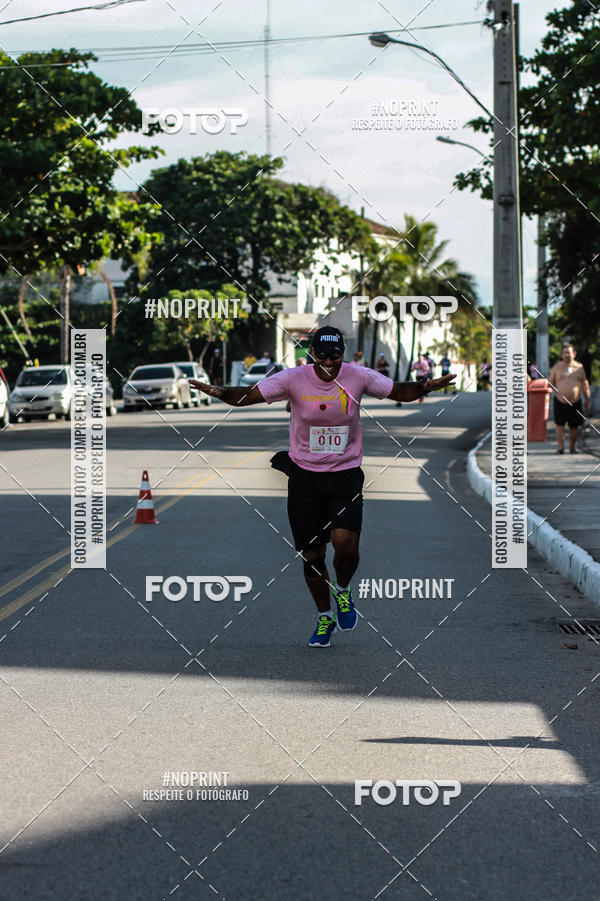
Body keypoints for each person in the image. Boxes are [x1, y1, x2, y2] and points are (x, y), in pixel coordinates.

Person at [189, 326, 455, 648]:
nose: (329, 361)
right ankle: (324, 616)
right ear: (311, 353)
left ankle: (342, 590)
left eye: (336, 355)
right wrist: (217, 391)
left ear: (343, 354)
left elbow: (398, 391)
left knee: (346, 545)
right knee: (312, 555)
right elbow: (250, 396)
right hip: (305, 478)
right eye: (323, 355)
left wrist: (425, 386)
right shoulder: (293, 379)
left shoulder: (357, 376)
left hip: (345, 475)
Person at [549, 344, 591, 454]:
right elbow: (550, 383)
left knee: (574, 426)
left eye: (568, 352)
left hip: (575, 401)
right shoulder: (557, 367)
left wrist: (587, 399)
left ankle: (572, 448)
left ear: (574, 354)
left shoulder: (579, 368)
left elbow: (584, 383)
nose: (566, 355)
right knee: (559, 425)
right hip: (560, 400)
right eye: (564, 353)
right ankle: (561, 447)